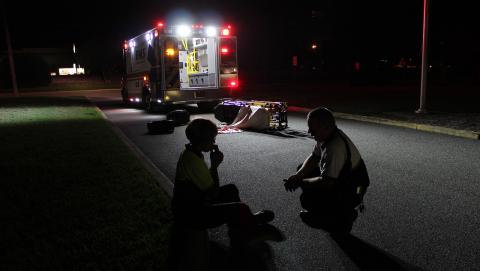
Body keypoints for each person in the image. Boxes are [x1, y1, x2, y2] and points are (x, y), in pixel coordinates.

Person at [172, 118, 282, 250]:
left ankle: (243, 226)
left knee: (231, 190)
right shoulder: (192, 161)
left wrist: (213, 168)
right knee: (241, 208)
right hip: (191, 215)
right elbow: (213, 193)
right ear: (202, 141)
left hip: (194, 202)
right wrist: (214, 166)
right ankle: (246, 234)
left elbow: (207, 185)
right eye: (212, 139)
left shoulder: (191, 153)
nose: (214, 142)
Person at [283, 107, 369, 233]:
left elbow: (326, 182)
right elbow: (314, 157)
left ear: (326, 126)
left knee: (308, 199)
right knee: (302, 170)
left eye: (313, 129)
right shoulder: (326, 135)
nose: (309, 132)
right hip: (343, 178)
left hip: (353, 187)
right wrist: (297, 176)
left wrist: (300, 182)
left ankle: (342, 217)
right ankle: (332, 213)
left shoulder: (334, 147)